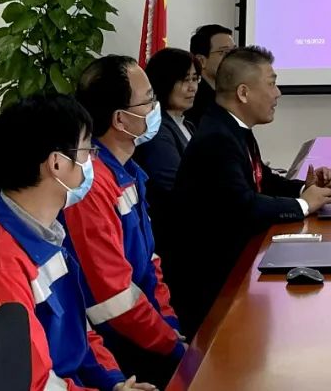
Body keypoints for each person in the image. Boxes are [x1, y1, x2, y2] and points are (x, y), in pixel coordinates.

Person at [0, 95, 155, 391]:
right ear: (56, 163)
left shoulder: (43, 230)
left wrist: (114, 383)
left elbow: (77, 334)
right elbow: (32, 384)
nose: (93, 161)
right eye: (87, 151)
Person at [168, 46, 331, 337]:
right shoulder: (217, 139)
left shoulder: (232, 127)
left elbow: (262, 179)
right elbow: (243, 206)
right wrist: (303, 205)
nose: (278, 94)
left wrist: (306, 188)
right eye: (271, 84)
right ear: (243, 93)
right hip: (212, 285)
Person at [71, 56, 186, 386]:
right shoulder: (90, 187)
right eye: (148, 99)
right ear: (120, 119)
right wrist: (170, 344)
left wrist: (169, 326)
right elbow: (113, 299)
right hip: (116, 346)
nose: (155, 107)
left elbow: (148, 262)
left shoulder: (128, 172)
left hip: (145, 332)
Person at [134, 47, 200, 247]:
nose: (192, 87)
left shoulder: (187, 124)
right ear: (164, 81)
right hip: (174, 235)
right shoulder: (157, 129)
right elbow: (175, 184)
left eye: (195, 79)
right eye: (185, 80)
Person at [183, 24, 235, 128]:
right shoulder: (192, 100)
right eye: (224, 52)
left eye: (234, 51)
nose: (234, 58)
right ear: (201, 61)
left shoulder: (228, 96)